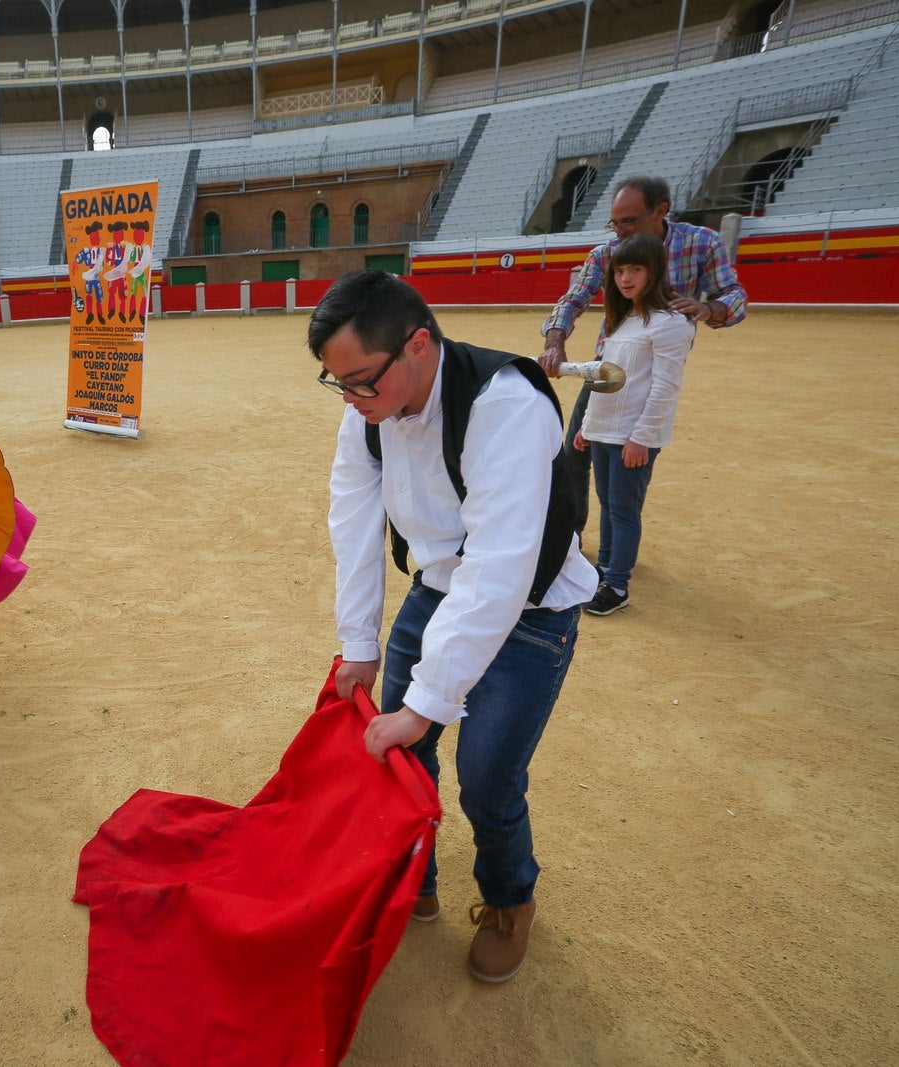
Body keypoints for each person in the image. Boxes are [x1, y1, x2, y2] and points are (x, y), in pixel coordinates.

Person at [311, 270, 598, 983]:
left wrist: (425, 701)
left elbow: (500, 565)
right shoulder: (368, 407)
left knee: (487, 778)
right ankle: (416, 877)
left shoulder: (506, 403)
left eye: (361, 381)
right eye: (336, 382)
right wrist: (359, 645)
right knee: (403, 757)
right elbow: (353, 520)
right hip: (438, 590)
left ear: (416, 344)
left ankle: (509, 900)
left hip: (534, 610)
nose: (350, 400)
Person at [539, 175, 746, 531]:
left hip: (655, 373)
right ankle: (570, 541)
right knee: (575, 453)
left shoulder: (701, 243)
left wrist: (709, 308)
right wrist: (554, 342)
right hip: (608, 369)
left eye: (629, 221)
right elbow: (571, 301)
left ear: (660, 211)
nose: (619, 232)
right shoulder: (605, 254)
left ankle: (619, 550)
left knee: (633, 464)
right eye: (615, 223)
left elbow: (734, 295)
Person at [574, 234, 695, 616]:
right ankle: (605, 571)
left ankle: (618, 585)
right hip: (605, 429)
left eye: (636, 269)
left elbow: (664, 388)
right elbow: (604, 380)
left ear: (654, 271)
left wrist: (642, 437)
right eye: (621, 270)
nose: (626, 278)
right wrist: (587, 425)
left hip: (632, 436)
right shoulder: (624, 320)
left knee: (624, 510)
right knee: (609, 504)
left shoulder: (671, 324)